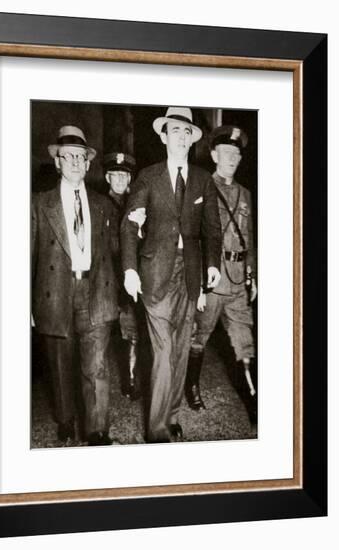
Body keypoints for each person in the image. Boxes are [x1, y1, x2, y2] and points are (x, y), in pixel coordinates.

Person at [120, 107, 222, 443]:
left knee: (179, 350)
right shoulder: (148, 177)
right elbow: (129, 224)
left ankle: (173, 414)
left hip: (190, 275)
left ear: (191, 141)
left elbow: (212, 229)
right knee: (162, 351)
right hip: (155, 273)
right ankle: (158, 431)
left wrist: (211, 265)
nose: (180, 137)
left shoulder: (202, 179)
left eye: (186, 132)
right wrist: (131, 269)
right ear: (163, 137)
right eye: (174, 131)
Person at [31, 125, 119, 446]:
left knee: (96, 367)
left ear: (89, 163)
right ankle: (66, 421)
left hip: (96, 292)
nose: (75, 163)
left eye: (81, 157)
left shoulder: (102, 204)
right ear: (57, 162)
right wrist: (27, 304)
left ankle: (98, 432)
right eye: (68, 157)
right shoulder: (40, 204)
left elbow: (115, 252)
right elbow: (27, 256)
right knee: (60, 365)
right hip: (55, 292)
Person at [188, 125, 257, 424]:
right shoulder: (202, 187)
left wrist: (254, 273)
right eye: (226, 152)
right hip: (212, 281)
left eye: (236, 153)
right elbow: (194, 237)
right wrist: (198, 285)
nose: (231, 158)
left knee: (245, 341)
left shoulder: (245, 194)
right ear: (214, 154)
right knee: (199, 336)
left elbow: (249, 237)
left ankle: (253, 399)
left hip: (240, 280)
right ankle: (191, 386)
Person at [103, 152, 142, 400]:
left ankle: (130, 377)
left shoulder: (137, 204)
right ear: (107, 177)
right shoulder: (98, 204)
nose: (119, 179)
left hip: (130, 275)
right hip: (106, 276)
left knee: (132, 330)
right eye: (115, 174)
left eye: (124, 174)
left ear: (129, 178)